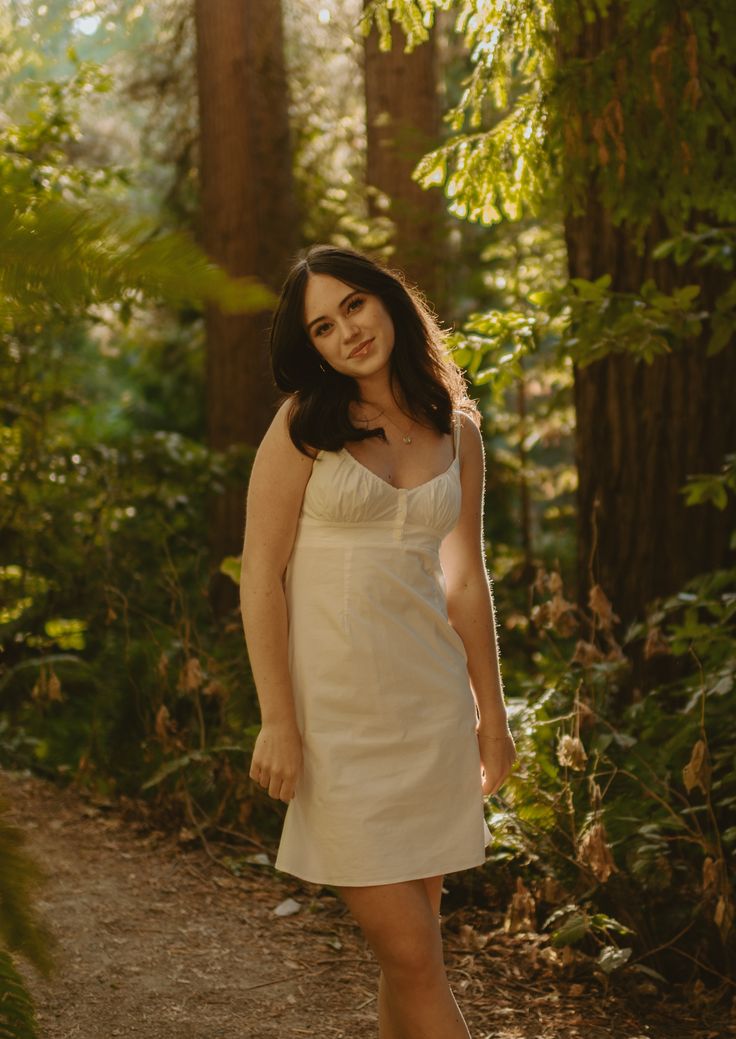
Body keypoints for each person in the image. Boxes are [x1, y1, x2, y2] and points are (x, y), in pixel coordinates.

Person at [240, 244, 516, 1039]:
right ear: (313, 347)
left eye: (353, 305)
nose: (346, 332)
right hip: (336, 724)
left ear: (388, 300)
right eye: (323, 327)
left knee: (414, 954)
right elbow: (260, 575)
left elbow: (465, 580)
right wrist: (278, 720)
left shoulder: (457, 427)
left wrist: (490, 717)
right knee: (416, 958)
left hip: (429, 707)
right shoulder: (304, 425)